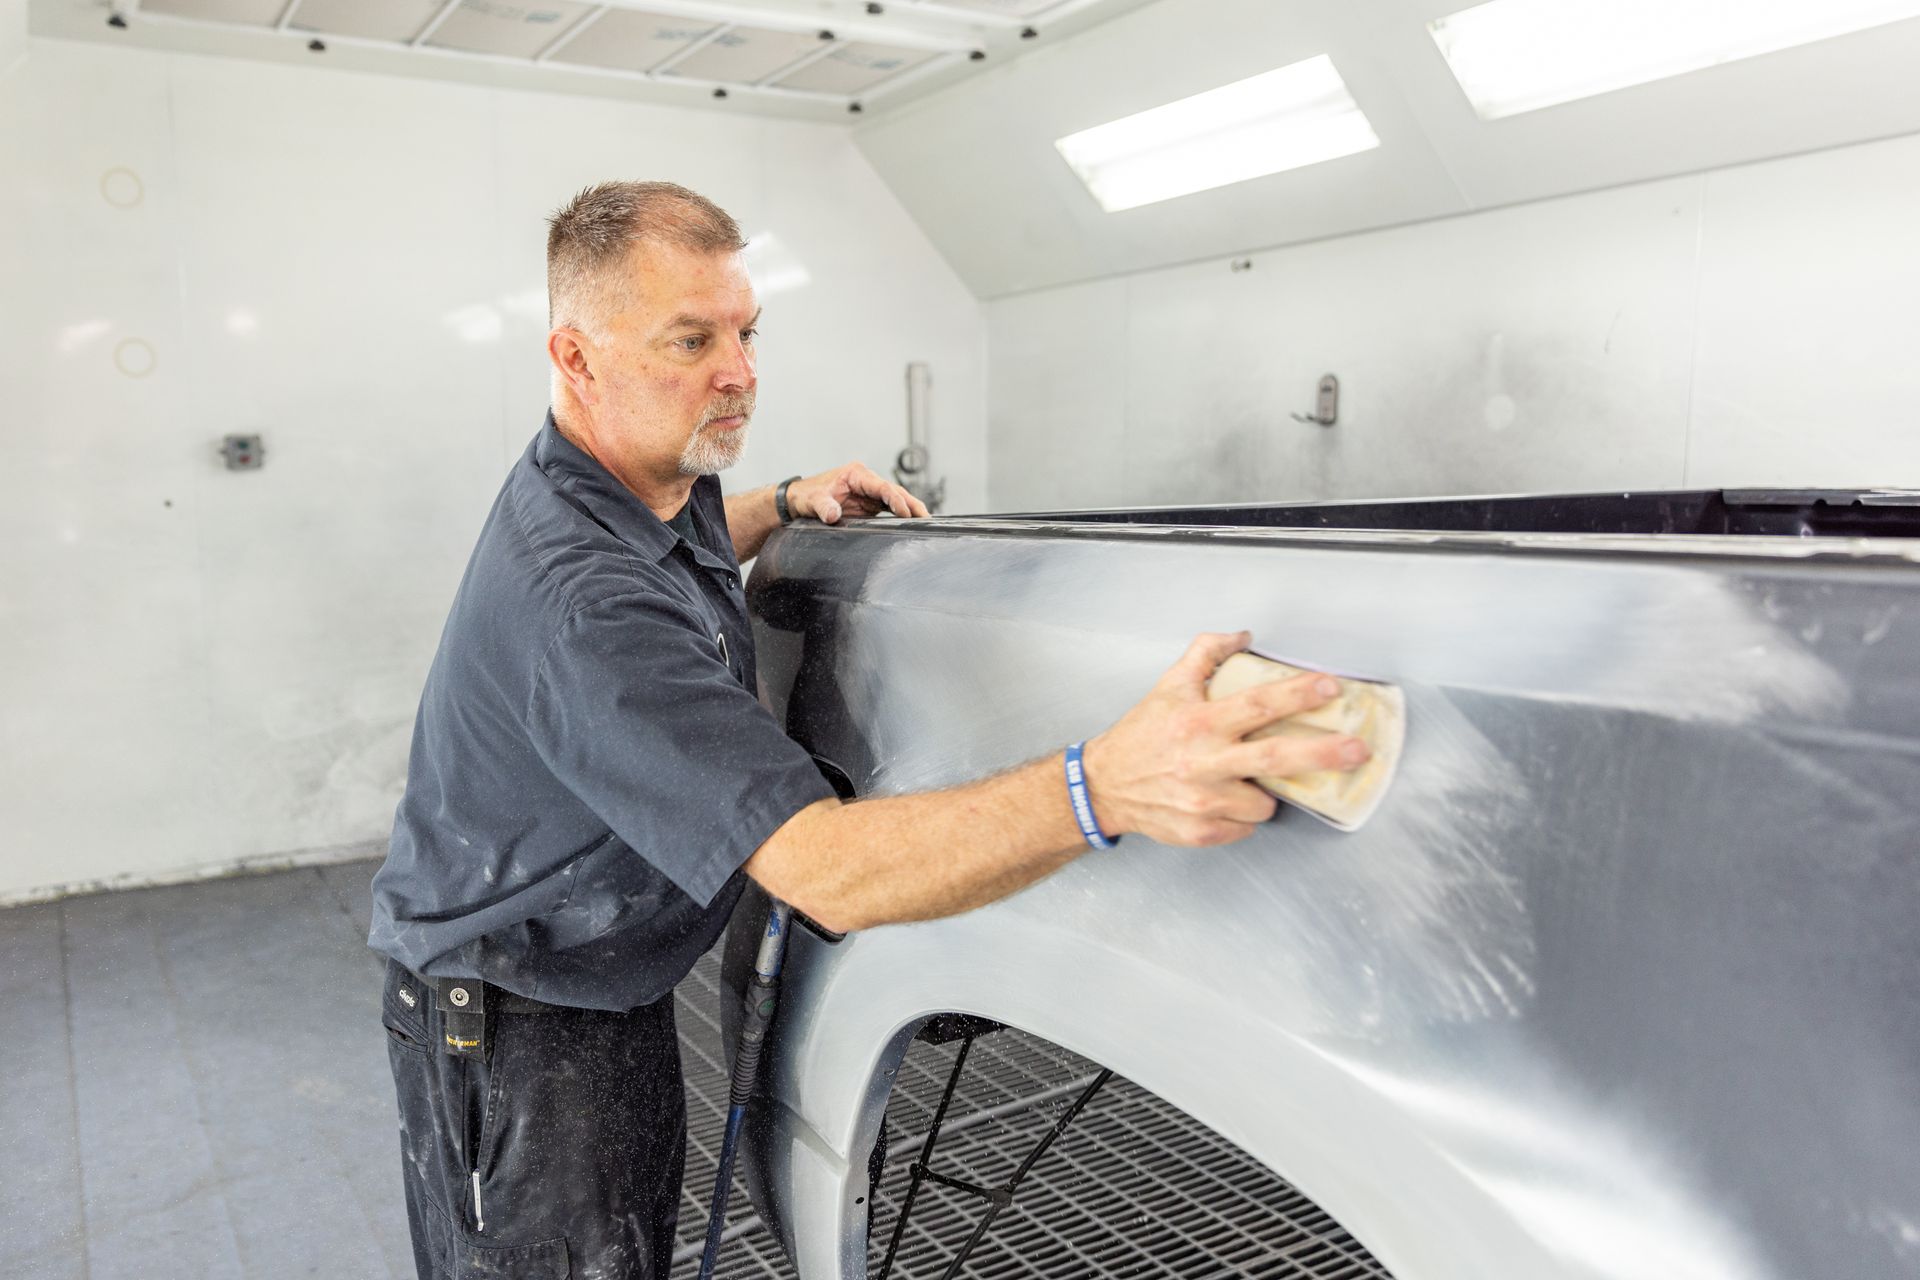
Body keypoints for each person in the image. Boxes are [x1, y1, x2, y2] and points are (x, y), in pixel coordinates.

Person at [366, 180, 1370, 1279]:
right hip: (515, 1020)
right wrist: (1107, 787)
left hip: (606, 972)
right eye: (691, 338)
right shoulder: (586, 604)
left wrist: (787, 501)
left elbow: (702, 528)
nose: (739, 370)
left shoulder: (637, 466)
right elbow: (824, 870)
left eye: (748, 330)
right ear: (576, 356)